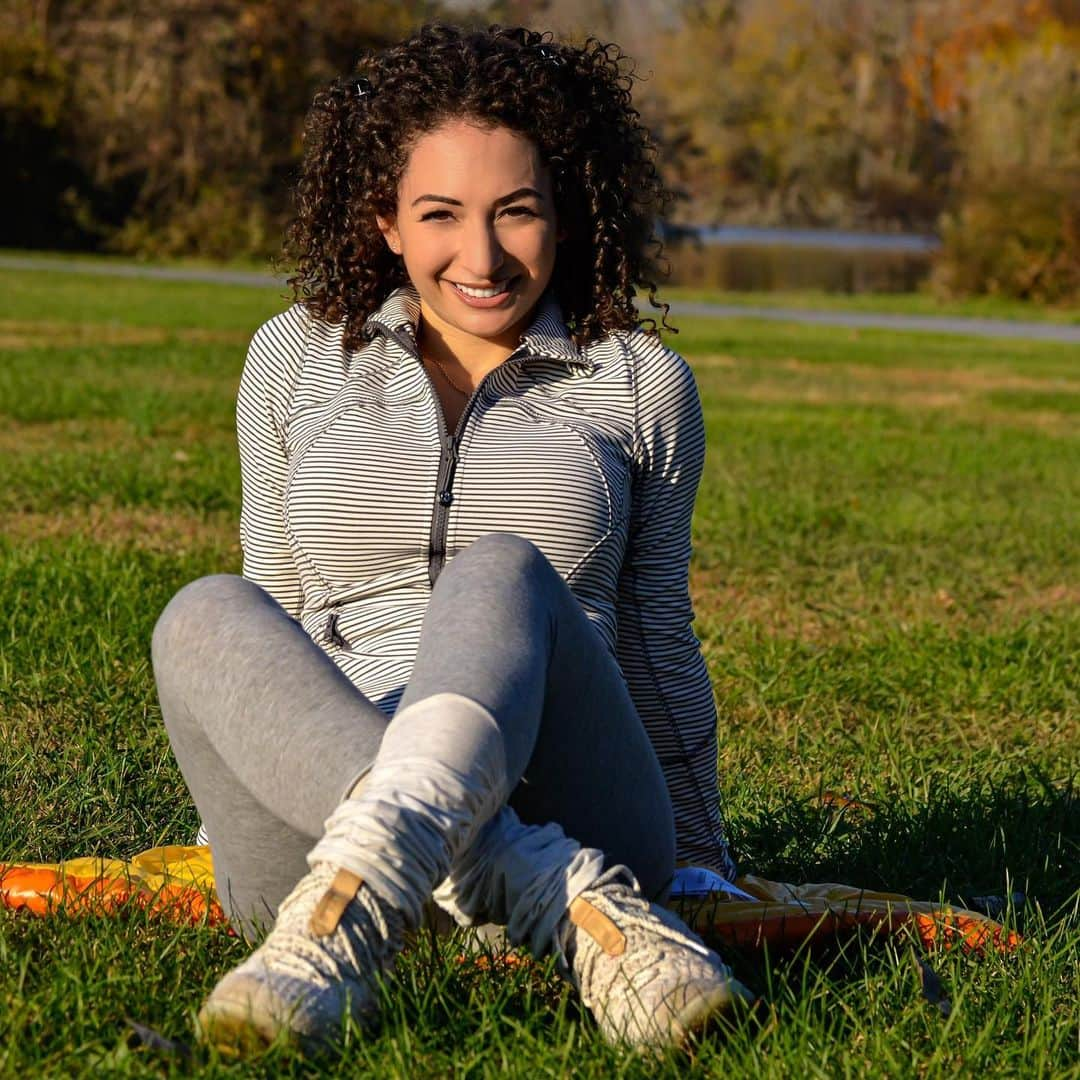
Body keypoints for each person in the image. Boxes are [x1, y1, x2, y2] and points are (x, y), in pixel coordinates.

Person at [151, 22, 753, 1056]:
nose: (481, 258)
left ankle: (348, 925)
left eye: (516, 212)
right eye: (440, 215)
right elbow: (280, 595)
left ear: (567, 211)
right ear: (384, 218)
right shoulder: (293, 358)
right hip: (324, 822)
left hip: (576, 796)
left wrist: (698, 853)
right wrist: (252, 793)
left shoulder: (641, 382)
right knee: (205, 610)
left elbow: (657, 634)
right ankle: (549, 903)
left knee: (504, 569)